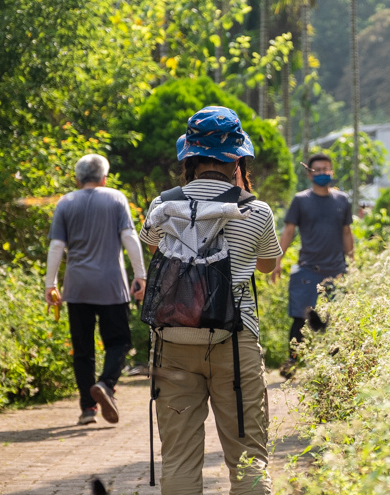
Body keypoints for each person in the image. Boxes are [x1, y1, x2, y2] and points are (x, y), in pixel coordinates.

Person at [139, 106, 281, 495]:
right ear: (237, 157)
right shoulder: (255, 210)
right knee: (248, 458)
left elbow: (150, 244)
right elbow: (268, 265)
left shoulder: (162, 205)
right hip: (234, 342)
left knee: (180, 461)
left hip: (172, 345)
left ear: (190, 156)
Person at [44, 154, 147, 426]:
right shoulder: (116, 198)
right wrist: (141, 275)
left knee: (83, 349)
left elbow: (56, 246)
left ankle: (88, 409)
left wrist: (50, 284)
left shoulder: (65, 202)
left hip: (77, 287)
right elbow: (129, 237)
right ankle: (105, 384)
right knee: (119, 341)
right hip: (111, 284)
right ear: (104, 178)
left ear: (77, 179)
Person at [273, 153, 354, 376]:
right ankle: (292, 361)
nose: (322, 173)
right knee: (300, 318)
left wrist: (353, 265)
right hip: (308, 270)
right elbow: (288, 231)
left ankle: (334, 366)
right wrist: (277, 261)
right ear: (309, 174)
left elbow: (347, 232)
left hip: (337, 270)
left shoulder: (342, 201)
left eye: (326, 169)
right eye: (317, 170)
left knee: (336, 319)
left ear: (332, 172)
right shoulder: (301, 200)